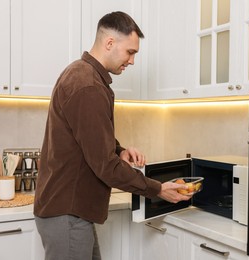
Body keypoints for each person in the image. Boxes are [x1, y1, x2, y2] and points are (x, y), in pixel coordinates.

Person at [34, 11, 191, 260]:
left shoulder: (83, 75)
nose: (132, 61)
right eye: (130, 52)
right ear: (109, 43)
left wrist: (120, 151)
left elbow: (90, 138)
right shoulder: (88, 86)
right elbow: (105, 166)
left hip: (71, 212)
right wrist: (157, 188)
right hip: (68, 214)